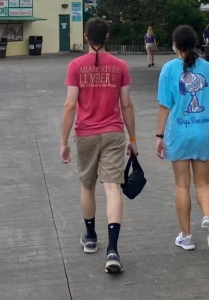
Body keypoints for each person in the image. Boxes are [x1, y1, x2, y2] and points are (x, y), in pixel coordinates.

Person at [60, 17, 136, 275]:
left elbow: (70, 105)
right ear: (107, 36)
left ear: (85, 36)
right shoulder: (120, 65)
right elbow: (126, 104)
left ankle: (90, 237)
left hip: (86, 134)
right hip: (114, 133)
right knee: (112, 188)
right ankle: (112, 250)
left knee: (87, 185)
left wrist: (63, 141)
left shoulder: (75, 66)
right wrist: (133, 139)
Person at [155, 24, 209, 252]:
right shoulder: (207, 68)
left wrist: (159, 135)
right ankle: (207, 216)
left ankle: (186, 237)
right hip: (204, 130)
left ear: (175, 45)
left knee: (181, 185)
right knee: (203, 183)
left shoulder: (168, 69)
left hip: (179, 133)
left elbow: (165, 106)